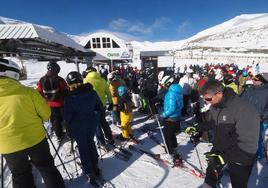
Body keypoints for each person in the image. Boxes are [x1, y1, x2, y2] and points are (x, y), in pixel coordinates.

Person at [0, 58, 65, 188]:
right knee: (47, 168)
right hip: (35, 138)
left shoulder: (41, 80)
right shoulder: (28, 92)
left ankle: (58, 134)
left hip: (8, 145)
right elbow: (46, 114)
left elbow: (40, 90)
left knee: (20, 175)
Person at [190, 79, 259, 188]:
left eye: (208, 98)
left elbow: (248, 145)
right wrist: (197, 128)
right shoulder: (215, 106)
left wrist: (224, 157)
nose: (206, 102)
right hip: (220, 149)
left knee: (239, 184)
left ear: (219, 94)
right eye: (204, 99)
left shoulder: (244, 110)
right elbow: (212, 123)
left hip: (241, 157)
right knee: (210, 178)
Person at [64, 71, 104, 186]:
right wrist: (96, 115)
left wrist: (68, 128)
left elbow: (67, 116)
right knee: (90, 142)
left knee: (83, 146)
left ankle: (89, 170)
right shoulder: (91, 92)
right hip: (91, 122)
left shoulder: (70, 97)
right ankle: (94, 164)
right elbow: (100, 107)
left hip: (78, 125)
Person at [83, 67, 114, 147]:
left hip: (91, 107)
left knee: (97, 126)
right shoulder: (103, 80)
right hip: (102, 105)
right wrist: (111, 103)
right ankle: (110, 138)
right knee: (103, 121)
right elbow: (108, 93)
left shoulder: (85, 81)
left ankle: (102, 143)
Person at [37, 62, 67, 142]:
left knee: (53, 118)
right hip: (60, 103)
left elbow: (39, 91)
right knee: (60, 119)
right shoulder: (59, 79)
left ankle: (55, 130)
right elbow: (65, 90)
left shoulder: (42, 79)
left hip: (48, 104)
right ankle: (59, 134)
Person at [241, 73, 268, 159]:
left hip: (260, 120)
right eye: (253, 79)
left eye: (255, 80)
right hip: (246, 118)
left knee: (257, 138)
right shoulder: (249, 90)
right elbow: (241, 101)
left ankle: (258, 155)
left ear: (262, 82)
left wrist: (263, 116)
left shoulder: (266, 92)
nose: (253, 81)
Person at [160, 83, 184, 161]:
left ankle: (170, 154)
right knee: (172, 134)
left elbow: (171, 109)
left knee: (167, 136)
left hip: (170, 118)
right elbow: (181, 105)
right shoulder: (179, 93)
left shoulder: (171, 94)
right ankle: (174, 148)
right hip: (177, 118)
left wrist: (163, 115)